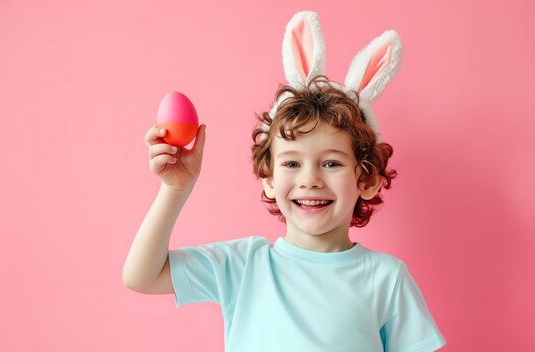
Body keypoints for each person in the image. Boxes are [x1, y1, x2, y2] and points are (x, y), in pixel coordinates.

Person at [123, 11, 446, 352]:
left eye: (332, 163)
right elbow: (141, 275)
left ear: (366, 179)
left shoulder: (386, 278)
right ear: (268, 179)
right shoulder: (243, 265)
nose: (309, 179)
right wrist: (175, 190)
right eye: (292, 163)